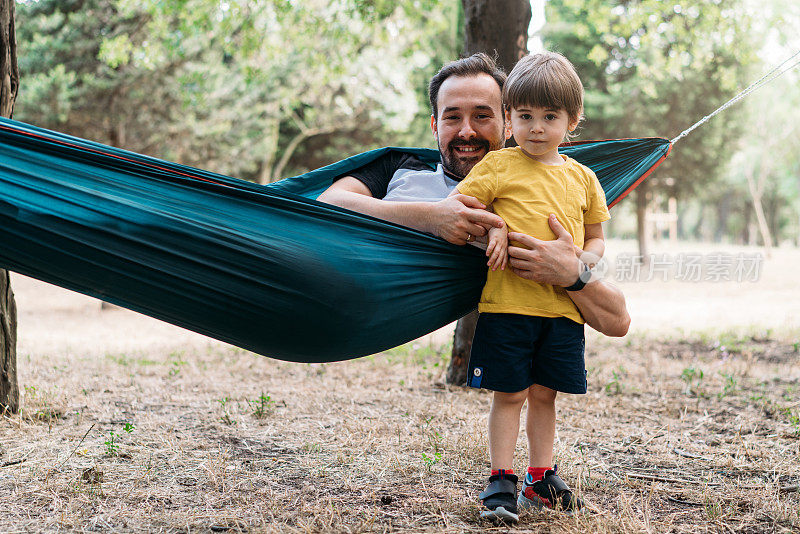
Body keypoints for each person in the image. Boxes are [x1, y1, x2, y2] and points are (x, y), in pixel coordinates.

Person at [317, 53, 629, 338]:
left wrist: (573, 275)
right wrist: (433, 217)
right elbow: (329, 204)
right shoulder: (400, 167)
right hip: (352, 297)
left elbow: (618, 321)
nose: (467, 131)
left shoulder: (549, 193)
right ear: (434, 126)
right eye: (452, 117)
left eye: (482, 116)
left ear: (507, 123)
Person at [451, 51, 605, 522]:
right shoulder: (499, 166)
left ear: (572, 120)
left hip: (562, 310)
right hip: (507, 305)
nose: (536, 127)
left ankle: (540, 477)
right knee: (510, 394)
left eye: (550, 117)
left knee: (545, 394)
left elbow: (596, 236)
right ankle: (501, 478)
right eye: (524, 116)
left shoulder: (584, 178)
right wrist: (495, 228)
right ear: (509, 118)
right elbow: (459, 209)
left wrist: (582, 263)